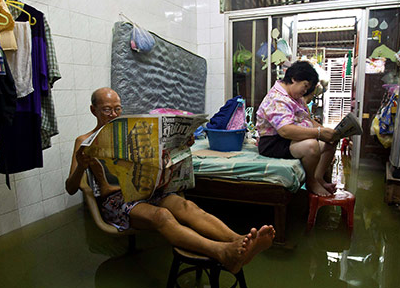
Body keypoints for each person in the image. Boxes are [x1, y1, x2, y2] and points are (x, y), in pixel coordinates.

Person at [66, 87, 275, 273]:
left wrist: (181, 144)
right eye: (106, 110)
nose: (113, 115)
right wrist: (81, 167)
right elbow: (71, 188)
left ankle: (236, 239)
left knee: (186, 205)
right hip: (116, 201)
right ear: (94, 110)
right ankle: (222, 252)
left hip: (147, 191)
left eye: (118, 109)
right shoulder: (84, 142)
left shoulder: (132, 134)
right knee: (162, 216)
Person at [256, 61, 339, 197]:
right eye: (305, 86)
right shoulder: (277, 98)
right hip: (274, 143)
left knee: (330, 141)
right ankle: (311, 181)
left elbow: (307, 119)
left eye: (307, 89)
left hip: (289, 139)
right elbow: (285, 130)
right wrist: (318, 133)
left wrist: (327, 132)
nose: (304, 91)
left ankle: (318, 178)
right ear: (294, 78)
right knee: (311, 146)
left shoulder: (295, 97)